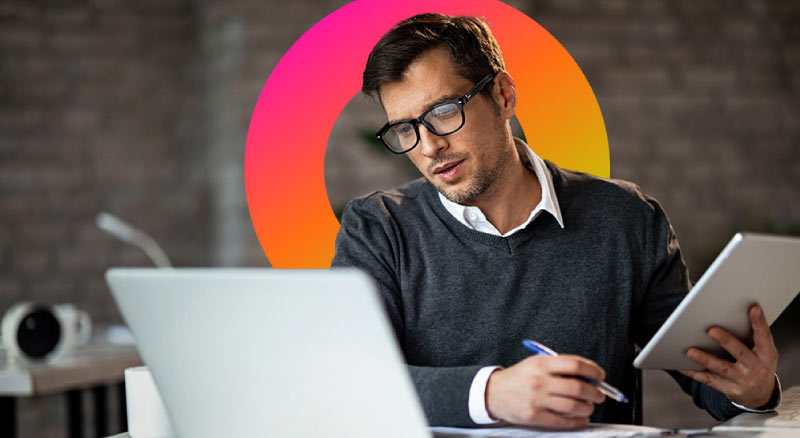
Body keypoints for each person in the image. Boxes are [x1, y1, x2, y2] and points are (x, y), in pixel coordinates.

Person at [331, 13, 780, 428]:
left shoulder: (627, 219)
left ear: (504, 96)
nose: (428, 147)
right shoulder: (377, 227)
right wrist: (491, 393)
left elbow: (706, 377)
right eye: (405, 129)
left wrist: (752, 391)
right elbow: (349, 380)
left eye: (444, 112)